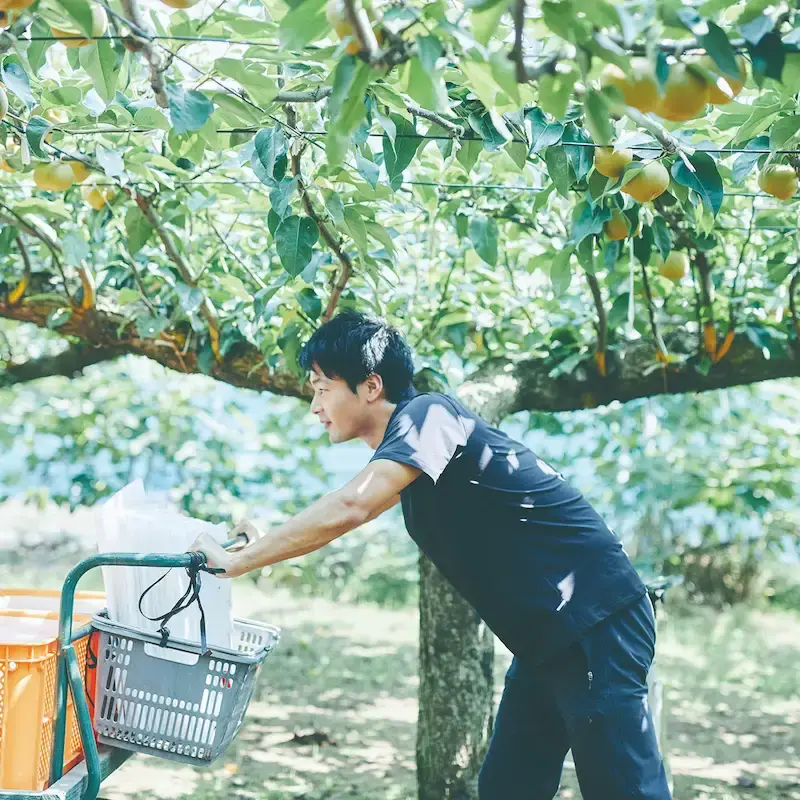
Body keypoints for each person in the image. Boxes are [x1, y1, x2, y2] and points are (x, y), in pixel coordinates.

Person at [191, 309, 672, 800]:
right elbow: (346, 503)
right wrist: (263, 540)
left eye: (321, 388)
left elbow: (352, 505)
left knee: (625, 791)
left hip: (595, 622)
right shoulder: (411, 455)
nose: (315, 406)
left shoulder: (431, 416)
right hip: (547, 639)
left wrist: (240, 562)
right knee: (508, 787)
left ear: (371, 385)